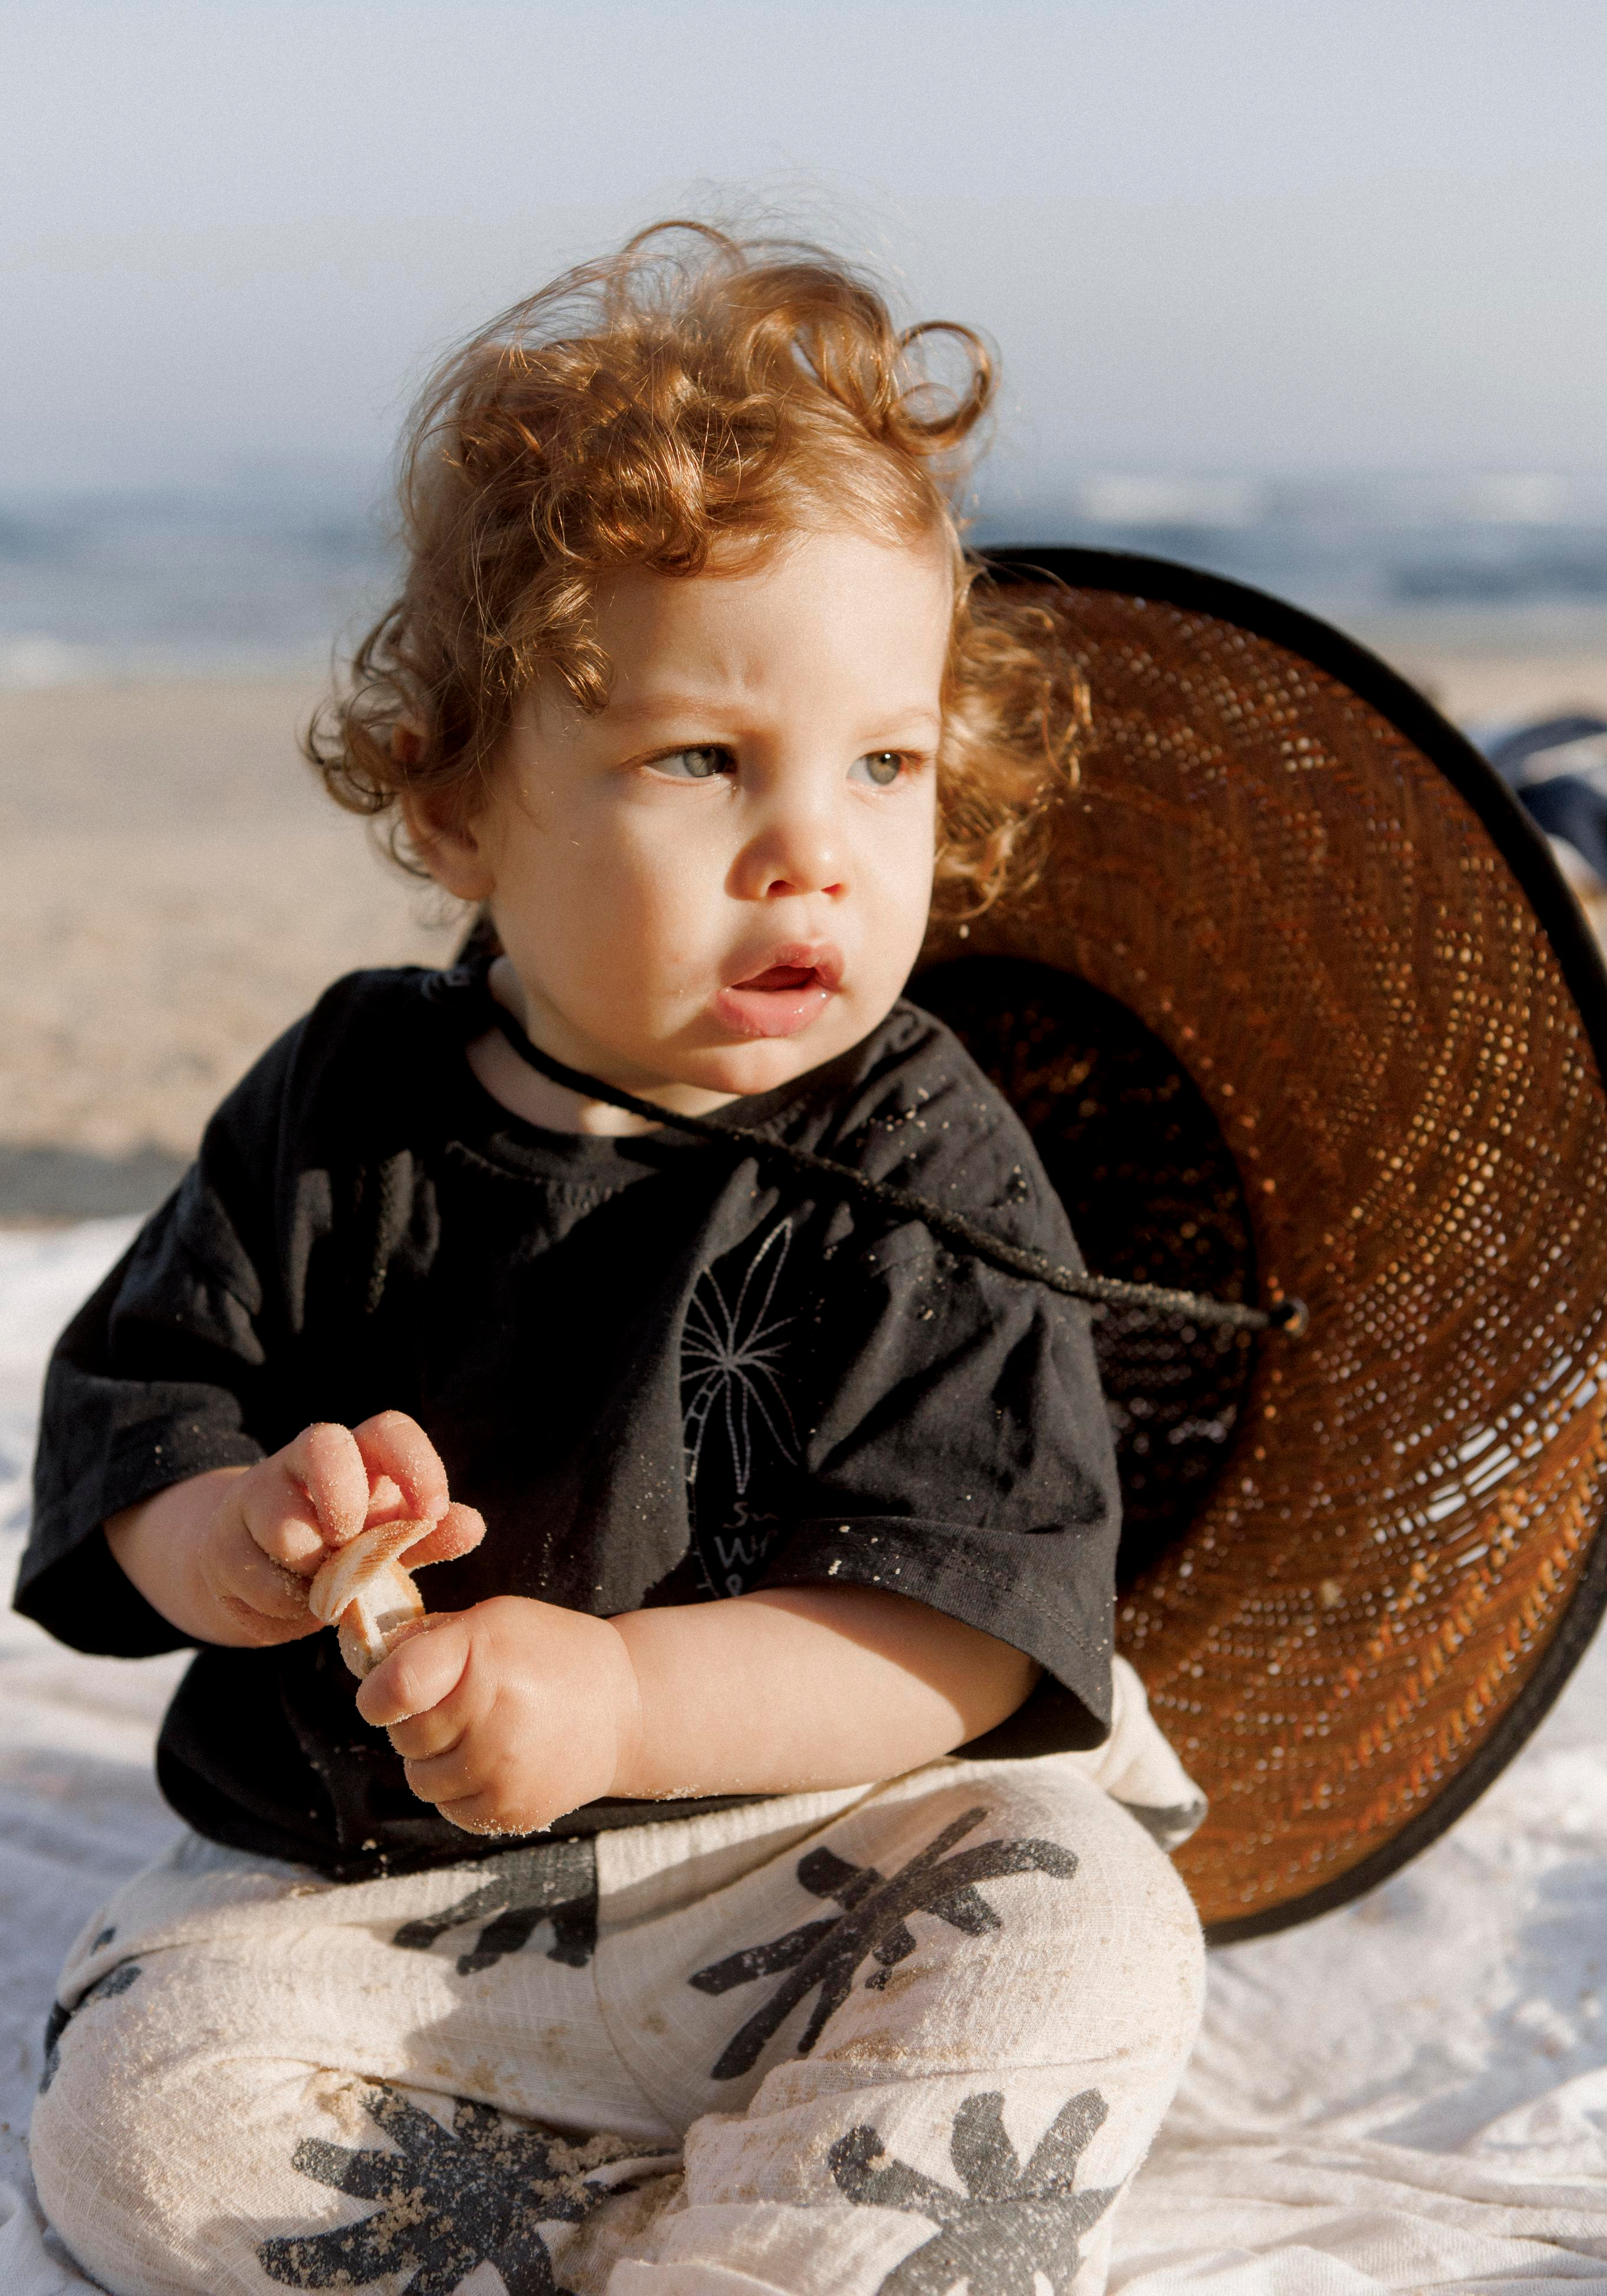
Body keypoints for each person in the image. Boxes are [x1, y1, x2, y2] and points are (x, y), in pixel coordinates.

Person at [19, 224, 1206, 2296]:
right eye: (701, 760)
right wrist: (234, 1536)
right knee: (140, 2107)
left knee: (1091, 1916)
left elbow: (973, 1624)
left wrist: (631, 1697)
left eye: (886, 764)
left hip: (814, 1852)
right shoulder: (350, 1103)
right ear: (460, 806)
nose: (814, 847)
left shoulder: (918, 1144)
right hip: (392, 1911)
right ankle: (583, 2228)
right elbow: (137, 1429)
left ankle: (755, 2255)